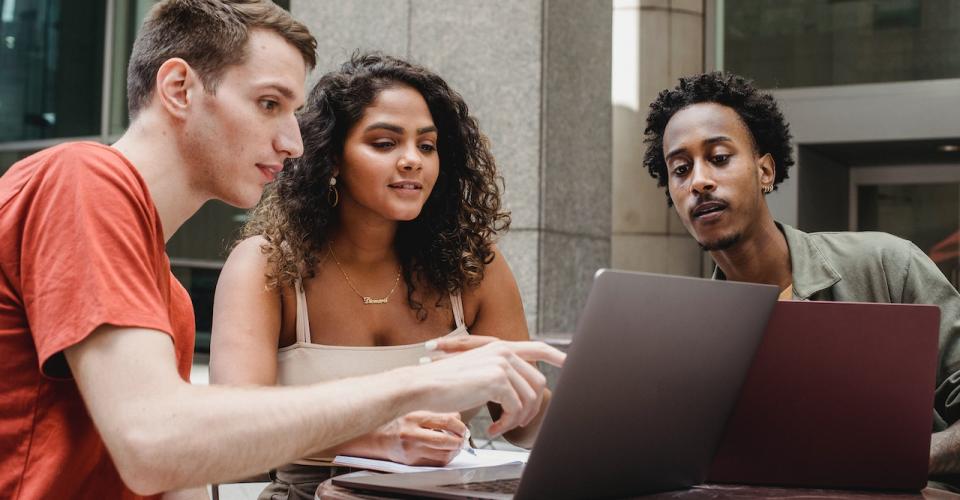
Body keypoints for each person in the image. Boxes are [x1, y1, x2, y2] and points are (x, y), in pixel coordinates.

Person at [0, 1, 563, 498]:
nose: (293, 142)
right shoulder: (83, 177)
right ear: (179, 89)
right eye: (270, 104)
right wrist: (419, 385)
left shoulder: (167, 297)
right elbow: (154, 444)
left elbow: (186, 470)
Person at [209, 52, 549, 498]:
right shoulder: (267, 264)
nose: (413, 160)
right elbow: (232, 427)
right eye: (385, 143)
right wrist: (377, 439)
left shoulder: (472, 265)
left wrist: (529, 399)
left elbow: (525, 433)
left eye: (426, 146)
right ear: (331, 159)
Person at [641, 71, 960, 479]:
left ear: (765, 172)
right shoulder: (690, 338)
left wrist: (902, 458)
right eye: (681, 169)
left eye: (719, 158)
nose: (699, 181)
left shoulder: (886, 264)